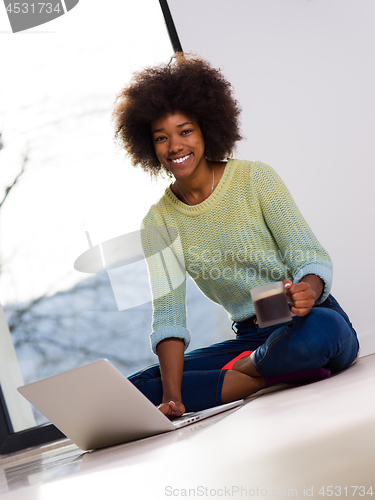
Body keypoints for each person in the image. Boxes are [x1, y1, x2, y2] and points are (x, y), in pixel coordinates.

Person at [112, 53, 359, 419]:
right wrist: (173, 397)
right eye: (162, 138)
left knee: (322, 333)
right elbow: (168, 316)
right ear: (150, 147)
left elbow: (308, 254)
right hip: (251, 337)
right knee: (137, 390)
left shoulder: (254, 178)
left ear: (206, 129)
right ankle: (269, 376)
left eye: (185, 131)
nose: (175, 146)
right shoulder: (158, 223)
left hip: (305, 320)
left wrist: (308, 288)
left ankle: (250, 372)